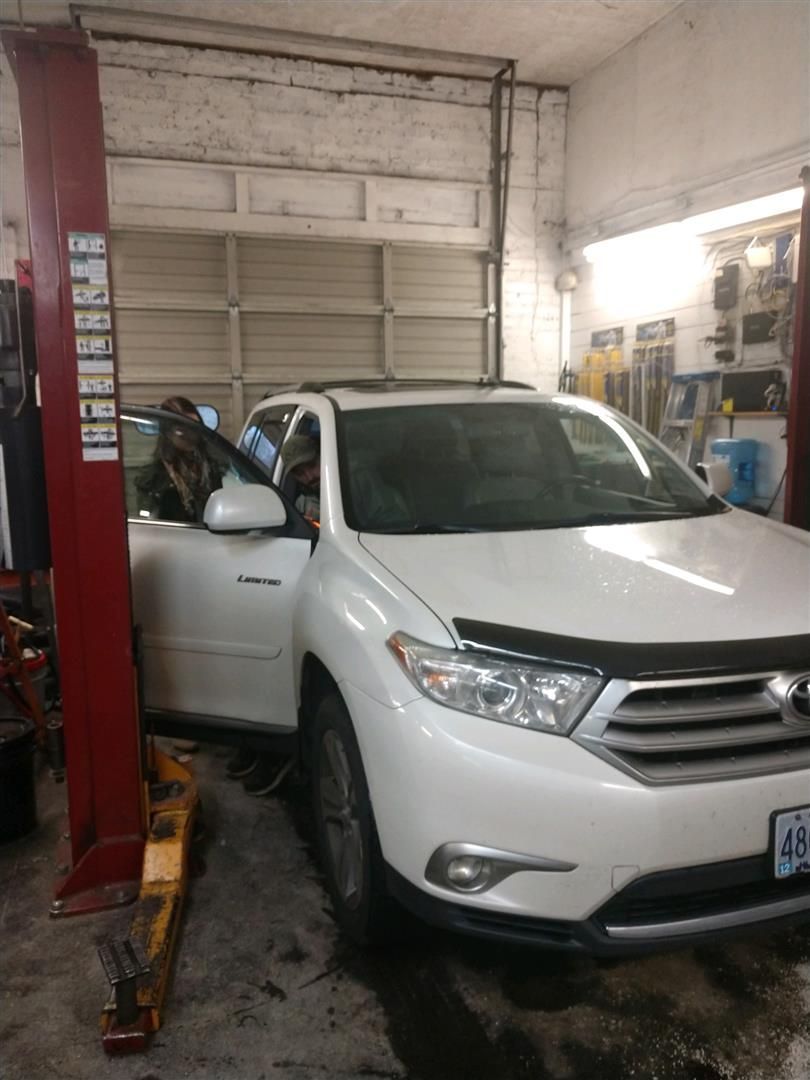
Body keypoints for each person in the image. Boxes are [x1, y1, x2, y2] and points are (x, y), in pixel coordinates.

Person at [135, 396, 223, 524]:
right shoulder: (155, 479)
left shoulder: (210, 466)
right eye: (182, 430)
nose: (191, 436)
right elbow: (150, 524)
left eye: (194, 427)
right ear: (167, 433)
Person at [280, 434, 321, 523]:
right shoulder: (301, 507)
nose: (310, 477)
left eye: (311, 466)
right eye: (299, 473)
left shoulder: (352, 481)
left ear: (321, 456)